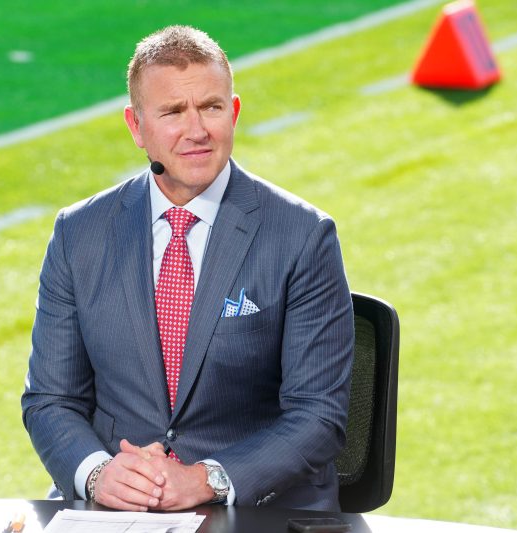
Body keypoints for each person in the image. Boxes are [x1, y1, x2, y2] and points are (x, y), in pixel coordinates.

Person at [21, 25, 355, 512]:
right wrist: (97, 474)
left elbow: (318, 416)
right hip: (117, 510)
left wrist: (206, 480)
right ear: (137, 127)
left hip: (250, 509)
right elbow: (51, 399)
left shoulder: (303, 235)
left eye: (211, 108)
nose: (197, 130)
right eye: (174, 112)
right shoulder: (78, 234)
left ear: (233, 112)